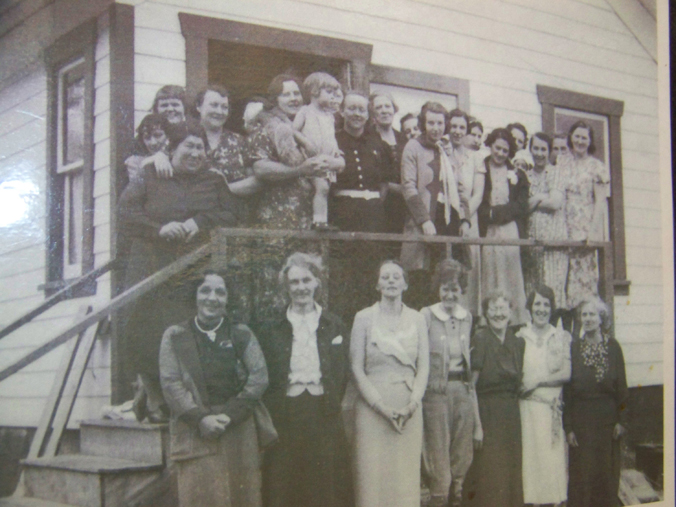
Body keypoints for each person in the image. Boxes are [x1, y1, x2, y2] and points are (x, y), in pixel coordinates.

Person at [118, 120, 243, 422]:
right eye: (189, 146)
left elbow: (234, 213)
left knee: (184, 332)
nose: (196, 153)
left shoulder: (213, 180)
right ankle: (154, 400)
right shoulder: (150, 175)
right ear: (172, 148)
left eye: (200, 147)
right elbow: (125, 213)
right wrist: (158, 229)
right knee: (144, 331)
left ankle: (183, 401)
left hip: (192, 270)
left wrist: (199, 222)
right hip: (150, 266)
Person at [158, 270, 270, 507]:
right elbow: (170, 383)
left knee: (242, 497)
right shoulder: (175, 335)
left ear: (228, 298)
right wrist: (200, 419)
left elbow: (259, 377)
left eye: (220, 292)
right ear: (195, 295)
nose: (212, 298)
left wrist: (230, 415)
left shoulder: (241, 333)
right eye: (205, 291)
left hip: (237, 429)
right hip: (196, 430)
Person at [257, 252, 351, 507]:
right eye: (294, 282)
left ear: (317, 282)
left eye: (306, 280)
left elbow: (342, 370)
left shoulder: (334, 324)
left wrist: (330, 398)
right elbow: (267, 373)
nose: (301, 288)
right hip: (286, 412)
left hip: (323, 411)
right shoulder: (273, 327)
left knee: (323, 482)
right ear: (286, 287)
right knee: (286, 481)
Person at [247, 74, 341, 321]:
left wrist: (335, 162)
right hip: (277, 223)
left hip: (308, 222)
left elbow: (329, 155)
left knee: (310, 288)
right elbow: (260, 168)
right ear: (274, 99)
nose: (293, 98)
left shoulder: (307, 124)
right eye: (285, 94)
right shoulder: (267, 126)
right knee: (275, 290)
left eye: (296, 93)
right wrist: (301, 170)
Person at [350, 260, 429, 507]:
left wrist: (413, 404)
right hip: (372, 408)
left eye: (397, 276)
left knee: (404, 477)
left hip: (408, 408)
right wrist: (379, 406)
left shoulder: (417, 319)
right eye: (385, 277)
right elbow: (355, 368)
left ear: (405, 284)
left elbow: (424, 367)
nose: (391, 281)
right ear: (377, 285)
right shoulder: (363, 318)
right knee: (372, 477)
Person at [421, 260, 481, 507]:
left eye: (455, 289)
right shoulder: (426, 315)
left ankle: (456, 498)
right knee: (438, 453)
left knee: (461, 453)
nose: (450, 294)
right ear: (438, 289)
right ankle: (439, 498)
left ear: (461, 290)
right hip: (436, 392)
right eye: (445, 288)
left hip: (462, 391)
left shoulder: (467, 317)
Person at [400, 101, 470, 309]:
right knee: (421, 279)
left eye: (440, 123)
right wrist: (424, 220)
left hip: (448, 220)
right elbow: (408, 187)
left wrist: (465, 219)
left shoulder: (446, 149)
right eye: (431, 123)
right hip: (424, 222)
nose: (436, 128)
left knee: (446, 277)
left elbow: (459, 187)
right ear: (423, 123)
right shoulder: (413, 147)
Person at [330, 90, 390, 324]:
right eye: (352, 108)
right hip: (343, 216)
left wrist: (372, 206)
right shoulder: (332, 139)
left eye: (362, 109)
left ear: (368, 114)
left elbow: (384, 183)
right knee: (345, 275)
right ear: (342, 111)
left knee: (372, 273)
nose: (357, 114)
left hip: (373, 217)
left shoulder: (378, 144)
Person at [564, 296, 628, 507]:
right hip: (581, 424)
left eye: (592, 314)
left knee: (606, 476)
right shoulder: (574, 348)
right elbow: (568, 392)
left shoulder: (613, 347)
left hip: (607, 424)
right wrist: (569, 428)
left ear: (601, 318)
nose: (588, 319)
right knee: (582, 477)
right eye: (584, 315)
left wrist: (621, 421)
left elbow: (622, 387)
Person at [463, 291, 525, 507]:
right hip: (488, 416)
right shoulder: (480, 339)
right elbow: (471, 387)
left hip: (511, 417)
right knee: (490, 475)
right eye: (494, 309)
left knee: (511, 474)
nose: (499, 314)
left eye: (503, 309)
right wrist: (477, 427)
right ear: (486, 313)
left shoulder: (517, 342)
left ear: (511, 313)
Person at [517, 285, 571, 506]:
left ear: (552, 308)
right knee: (530, 462)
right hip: (527, 410)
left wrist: (537, 381)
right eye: (537, 304)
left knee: (551, 461)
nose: (541, 309)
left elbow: (566, 373)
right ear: (530, 307)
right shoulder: (521, 336)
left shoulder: (559, 336)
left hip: (551, 410)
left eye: (546, 304)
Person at [478, 128, 529, 324]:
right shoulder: (481, 168)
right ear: (490, 146)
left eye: (505, 150)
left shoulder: (517, 174)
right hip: (488, 230)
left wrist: (496, 214)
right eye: (497, 148)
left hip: (509, 229)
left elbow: (521, 206)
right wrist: (489, 214)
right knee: (490, 271)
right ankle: (490, 320)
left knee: (510, 273)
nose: (500, 153)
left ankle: (514, 321)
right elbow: (479, 201)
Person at [558, 120, 609, 310]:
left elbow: (600, 201)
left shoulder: (597, 167)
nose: (580, 141)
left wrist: (593, 232)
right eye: (577, 136)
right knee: (564, 284)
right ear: (571, 137)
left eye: (584, 138)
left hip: (584, 231)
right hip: (564, 229)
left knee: (583, 283)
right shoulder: (562, 163)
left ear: (590, 141)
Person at [293, 72, 345, 230]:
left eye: (334, 93)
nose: (332, 96)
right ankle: (319, 222)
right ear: (314, 92)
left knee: (325, 189)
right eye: (329, 92)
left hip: (326, 159)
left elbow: (330, 136)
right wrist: (305, 142)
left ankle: (321, 220)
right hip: (311, 159)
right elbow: (293, 130)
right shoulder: (305, 111)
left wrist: (336, 150)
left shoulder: (329, 115)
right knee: (322, 188)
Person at [525, 132, 569, 311]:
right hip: (532, 246)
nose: (539, 153)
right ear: (530, 149)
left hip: (553, 245)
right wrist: (542, 196)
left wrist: (534, 199)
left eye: (543, 149)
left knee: (552, 296)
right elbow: (522, 207)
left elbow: (555, 203)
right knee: (533, 295)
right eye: (535, 148)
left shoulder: (556, 173)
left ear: (549, 151)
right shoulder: (526, 176)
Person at [369, 91, 408, 239]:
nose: (384, 110)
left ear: (394, 109)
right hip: (379, 201)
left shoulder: (403, 139)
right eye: (379, 107)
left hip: (402, 204)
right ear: (372, 113)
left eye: (387, 106)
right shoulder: (368, 137)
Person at [124, 113, 171, 183]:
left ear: (168, 135)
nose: (153, 142)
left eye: (158, 135)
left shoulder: (178, 153)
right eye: (147, 137)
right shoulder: (135, 162)